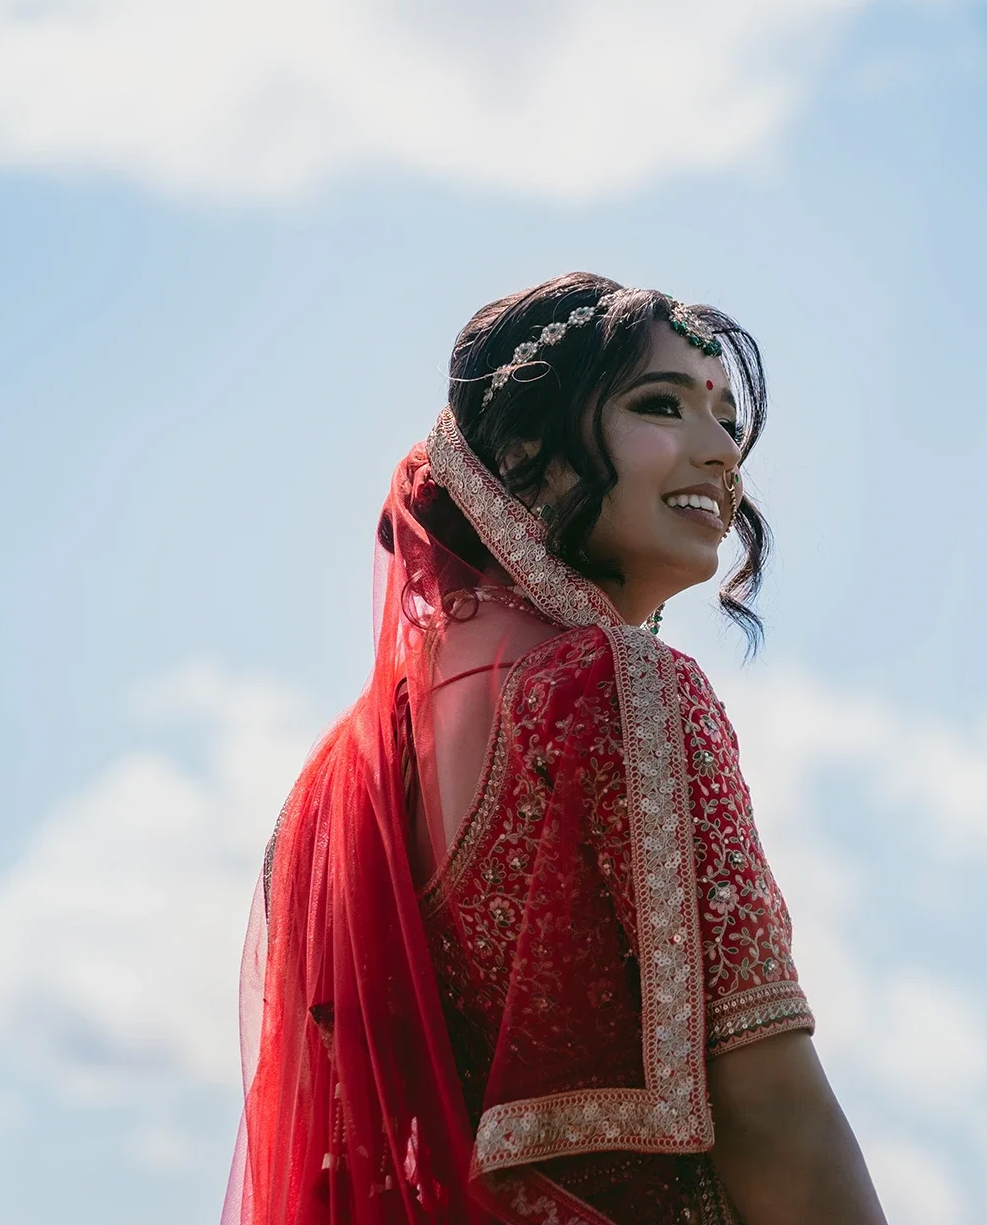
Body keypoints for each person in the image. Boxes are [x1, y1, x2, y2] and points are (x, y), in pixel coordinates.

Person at [223, 273, 886, 1225]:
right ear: (529, 455)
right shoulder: (618, 693)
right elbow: (773, 1112)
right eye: (662, 405)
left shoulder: (336, 788)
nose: (722, 455)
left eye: (729, 420)